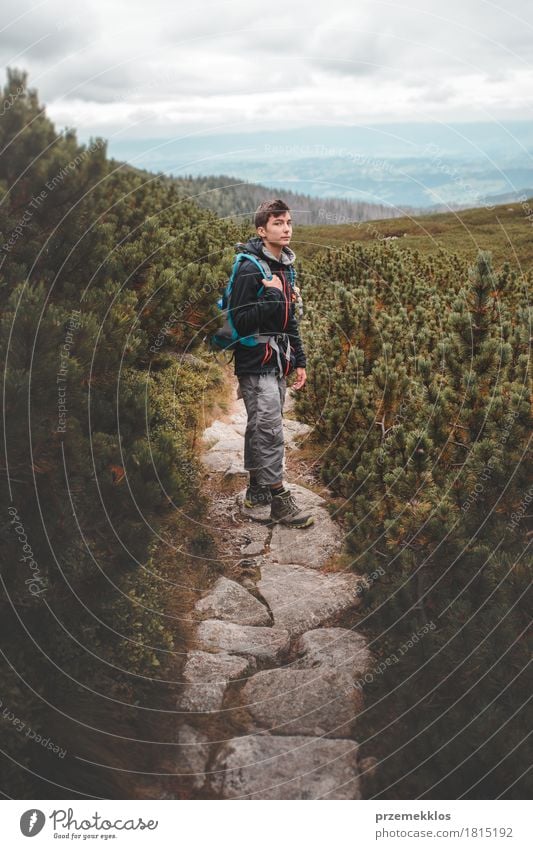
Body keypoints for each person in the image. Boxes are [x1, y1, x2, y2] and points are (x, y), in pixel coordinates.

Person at [230, 198, 314, 528]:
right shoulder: (251, 269)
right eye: (278, 223)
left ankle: (256, 490)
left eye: (289, 222)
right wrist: (270, 297)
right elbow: (238, 321)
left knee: (259, 426)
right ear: (261, 230)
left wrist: (300, 360)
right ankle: (279, 499)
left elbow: (289, 319)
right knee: (270, 430)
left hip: (278, 362)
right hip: (255, 361)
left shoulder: (285, 267)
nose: (287, 228)